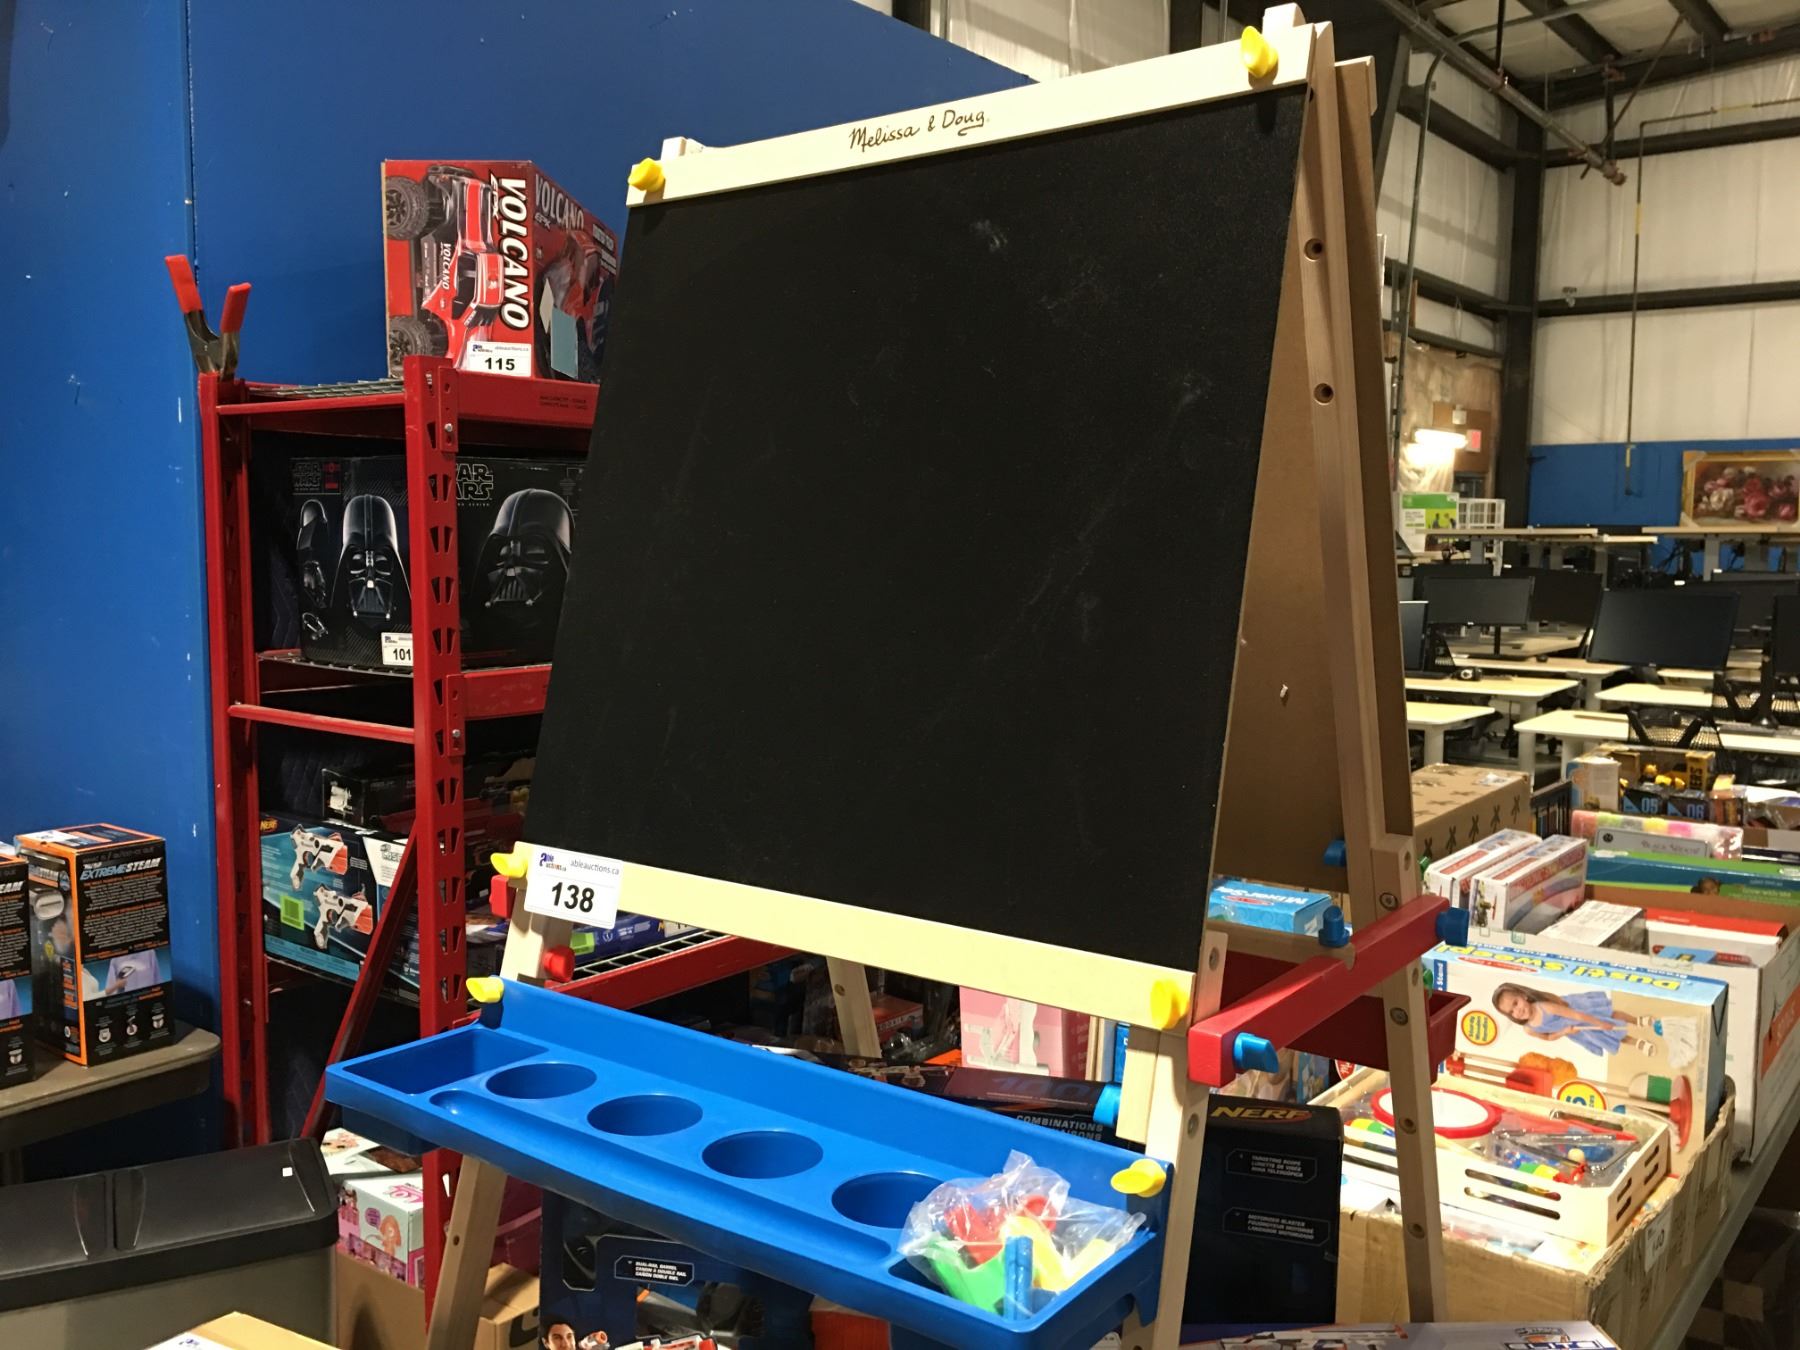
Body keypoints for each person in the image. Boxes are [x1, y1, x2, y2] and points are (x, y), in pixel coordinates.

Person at [1491, 982, 1656, 1057]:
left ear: (1523, 996)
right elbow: (1548, 1037)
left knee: (1609, 1016)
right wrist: (1563, 1032)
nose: (1517, 1011)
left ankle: (1636, 1020)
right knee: (1606, 1037)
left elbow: (1577, 1015)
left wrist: (1599, 1023)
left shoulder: (1545, 1007)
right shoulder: (1529, 1029)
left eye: (1515, 1003)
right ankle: (1636, 1042)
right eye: (1511, 1011)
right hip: (1576, 1029)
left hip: (1578, 1011)